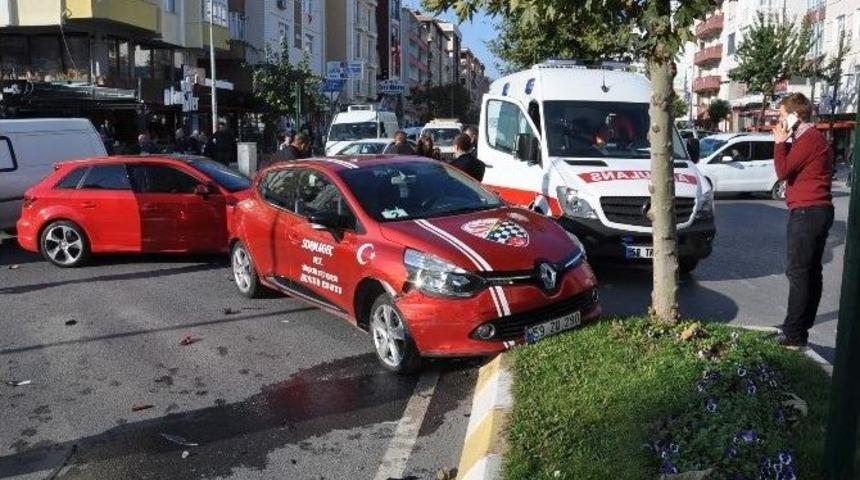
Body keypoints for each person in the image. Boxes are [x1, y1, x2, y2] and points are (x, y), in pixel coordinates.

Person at [772, 92, 834, 349]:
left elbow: (783, 171)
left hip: (807, 212)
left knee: (798, 273)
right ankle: (800, 330)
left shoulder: (808, 139)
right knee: (810, 273)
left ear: (795, 115)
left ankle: (793, 333)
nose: (779, 120)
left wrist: (778, 142)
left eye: (782, 115)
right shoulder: (811, 138)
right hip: (818, 210)